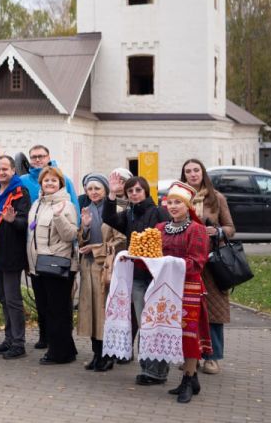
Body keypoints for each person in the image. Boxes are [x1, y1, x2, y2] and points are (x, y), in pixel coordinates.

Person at [103, 172, 172, 386]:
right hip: (137, 276)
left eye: (138, 190)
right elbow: (110, 218)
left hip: (156, 276)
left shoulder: (158, 211)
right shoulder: (129, 214)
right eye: (130, 191)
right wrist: (112, 195)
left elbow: (167, 238)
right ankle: (147, 368)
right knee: (144, 322)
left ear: (146, 192)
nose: (134, 194)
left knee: (156, 323)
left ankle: (158, 371)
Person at [159, 181, 211, 404]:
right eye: (170, 202)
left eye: (178, 203)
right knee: (174, 333)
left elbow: (197, 263)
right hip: (166, 287)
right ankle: (192, 378)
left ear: (187, 206)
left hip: (188, 288)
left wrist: (168, 262)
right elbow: (152, 255)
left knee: (188, 335)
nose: (173, 206)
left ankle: (188, 379)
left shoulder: (196, 230)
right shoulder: (160, 229)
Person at [181, 158, 234, 375]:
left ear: (203, 173)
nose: (193, 174)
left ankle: (212, 358)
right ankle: (190, 357)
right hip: (187, 262)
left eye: (196, 170)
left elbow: (231, 227)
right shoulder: (180, 198)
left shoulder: (216, 198)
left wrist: (218, 232)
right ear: (183, 176)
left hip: (211, 263)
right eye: (188, 171)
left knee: (213, 312)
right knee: (188, 311)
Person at [26, 166, 78, 365]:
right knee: (47, 310)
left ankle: (59, 353)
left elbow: (71, 235)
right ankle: (67, 348)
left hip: (57, 265)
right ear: (41, 184)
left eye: (53, 181)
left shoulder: (66, 205)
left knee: (58, 311)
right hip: (38, 266)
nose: (49, 184)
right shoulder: (37, 204)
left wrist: (58, 217)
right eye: (46, 181)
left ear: (60, 184)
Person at [0, 154, 31, 359]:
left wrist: (13, 220)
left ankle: (18, 343)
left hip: (10, 254)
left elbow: (24, 222)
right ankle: (9, 338)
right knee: (3, 298)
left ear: (13, 170)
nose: (1, 173)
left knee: (13, 300)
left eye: (5, 169)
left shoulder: (21, 192)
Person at [76, 173, 126, 372]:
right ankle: (97, 354)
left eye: (97, 188)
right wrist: (85, 228)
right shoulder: (86, 209)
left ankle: (108, 355)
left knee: (105, 313)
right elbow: (80, 240)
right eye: (90, 189)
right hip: (88, 266)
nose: (93, 192)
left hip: (107, 267)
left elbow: (121, 239)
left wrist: (96, 248)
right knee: (90, 312)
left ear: (105, 189)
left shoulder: (116, 209)